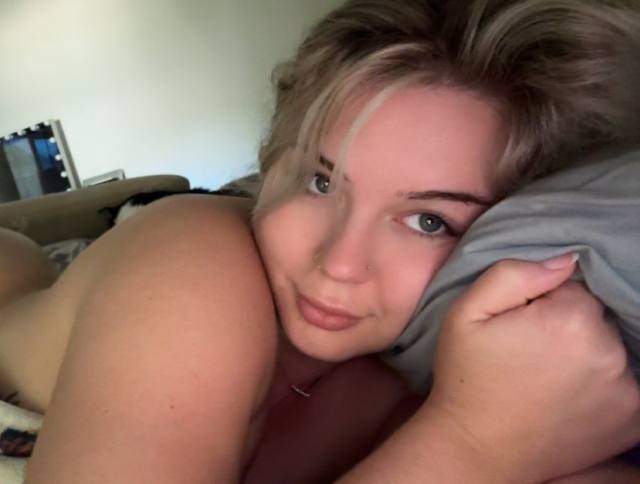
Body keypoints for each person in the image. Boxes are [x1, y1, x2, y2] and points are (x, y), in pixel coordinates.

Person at [0, 0, 638, 482]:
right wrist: (470, 447)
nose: (339, 263)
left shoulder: (482, 376)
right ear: (272, 159)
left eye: (428, 221)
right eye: (321, 181)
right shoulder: (195, 262)